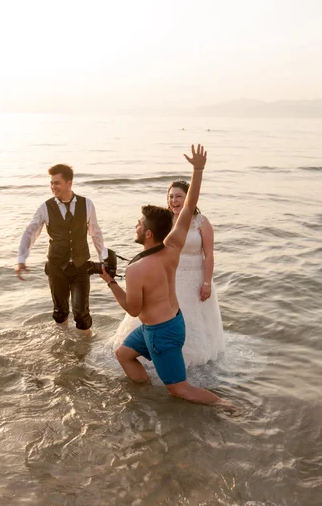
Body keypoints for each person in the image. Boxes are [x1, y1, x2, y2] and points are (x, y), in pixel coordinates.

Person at [100, 145, 234, 411]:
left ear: (148, 234)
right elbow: (189, 207)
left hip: (162, 333)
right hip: (168, 323)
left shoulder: (136, 269)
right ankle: (145, 395)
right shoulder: (172, 247)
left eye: (139, 224)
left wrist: (110, 282)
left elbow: (133, 308)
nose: (136, 226)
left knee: (179, 389)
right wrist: (198, 170)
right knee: (123, 354)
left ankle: (227, 405)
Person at [113, 180, 224, 369]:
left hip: (195, 276)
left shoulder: (201, 222)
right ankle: (153, 352)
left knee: (192, 318)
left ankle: (187, 359)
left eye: (179, 196)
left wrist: (206, 283)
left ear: (188, 198)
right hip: (171, 275)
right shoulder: (164, 222)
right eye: (171, 196)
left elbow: (209, 254)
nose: (174, 200)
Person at [15, 163, 106, 335]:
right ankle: (63, 347)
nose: (53, 187)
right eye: (51, 183)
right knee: (60, 312)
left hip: (80, 267)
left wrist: (104, 259)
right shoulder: (45, 207)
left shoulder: (87, 204)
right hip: (57, 267)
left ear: (69, 183)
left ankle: (84, 354)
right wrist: (21, 259)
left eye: (57, 183)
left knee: (81, 314)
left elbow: (95, 232)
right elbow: (30, 232)